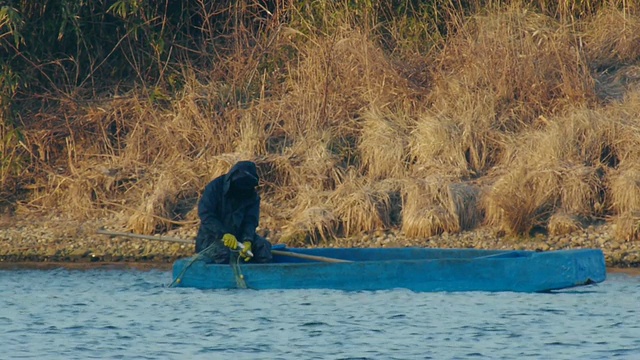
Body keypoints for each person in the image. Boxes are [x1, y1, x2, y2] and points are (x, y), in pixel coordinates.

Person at [195, 160, 272, 263]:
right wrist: (224, 234)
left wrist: (247, 240)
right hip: (211, 238)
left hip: (239, 237)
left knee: (263, 247)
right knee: (225, 252)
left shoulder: (252, 196)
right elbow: (206, 214)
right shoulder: (214, 188)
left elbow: (250, 221)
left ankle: (263, 276)